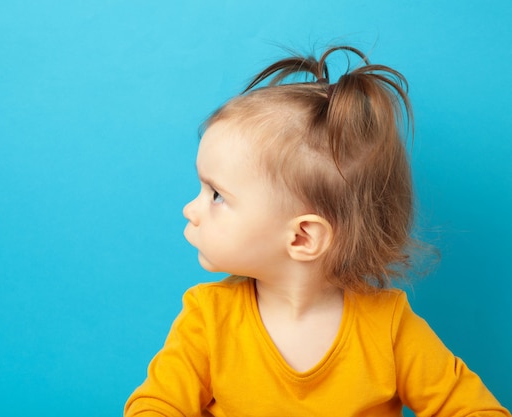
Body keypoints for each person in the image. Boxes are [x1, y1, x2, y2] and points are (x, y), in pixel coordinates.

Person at [124, 45, 511, 416]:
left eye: (217, 195)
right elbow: (155, 405)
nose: (190, 209)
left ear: (302, 237)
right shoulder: (208, 318)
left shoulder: (389, 326)